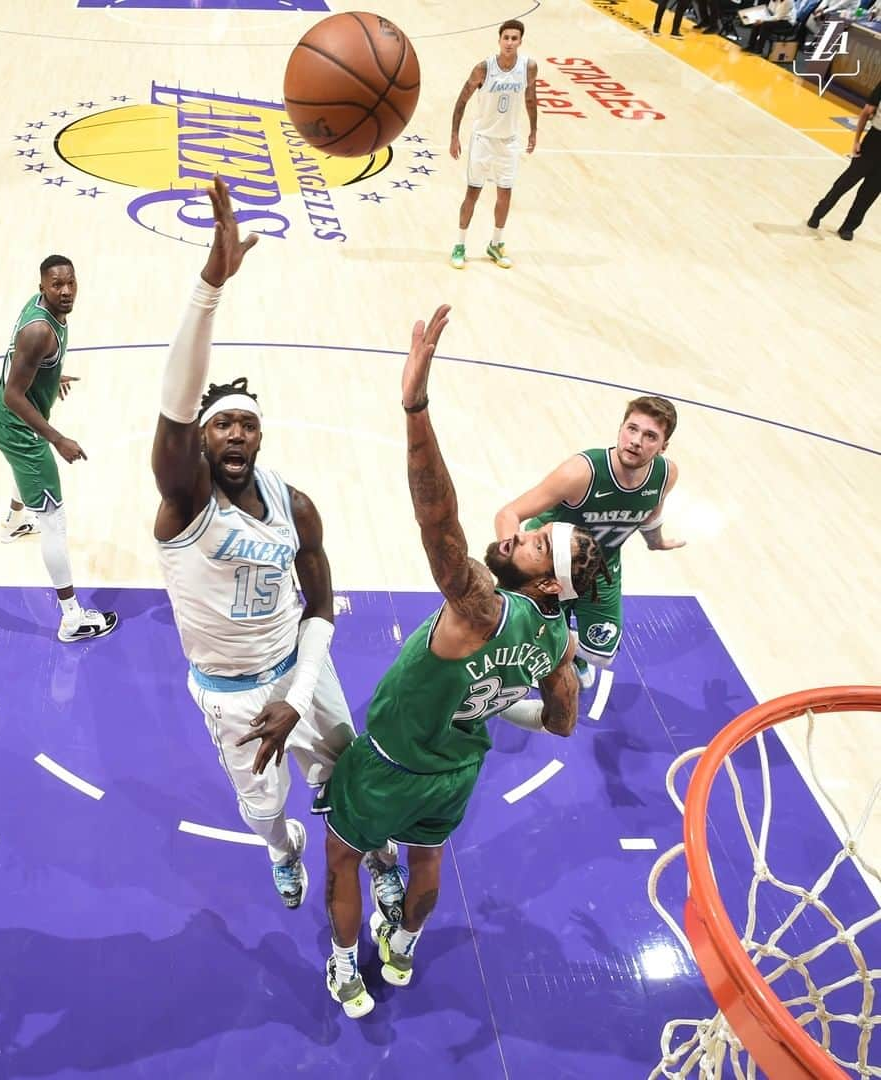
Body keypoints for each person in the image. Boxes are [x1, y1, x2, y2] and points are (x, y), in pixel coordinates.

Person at [316, 303, 609, 1019]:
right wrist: (528, 702)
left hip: (390, 762)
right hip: (453, 773)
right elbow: (563, 722)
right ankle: (403, 950)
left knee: (341, 860)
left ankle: (344, 970)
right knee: (426, 861)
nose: (521, 535)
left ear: (544, 581)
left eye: (538, 544)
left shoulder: (481, 607)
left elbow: (437, 520)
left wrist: (415, 405)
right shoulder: (554, 637)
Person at [151, 177, 402, 913]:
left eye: (246, 424)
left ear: (260, 435)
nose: (234, 433)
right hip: (230, 693)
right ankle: (283, 851)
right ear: (201, 439)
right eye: (220, 424)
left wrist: (297, 694)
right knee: (264, 809)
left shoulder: (297, 507)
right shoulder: (183, 502)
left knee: (350, 772)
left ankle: (376, 849)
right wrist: (209, 287)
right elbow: (171, 408)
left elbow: (321, 608)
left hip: (299, 670)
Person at [494, 397, 684, 691]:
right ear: (620, 428)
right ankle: (549, 643)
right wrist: (514, 567)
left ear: (663, 446)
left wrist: (656, 542)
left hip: (602, 567)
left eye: (650, 436)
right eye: (631, 429)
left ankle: (560, 645)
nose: (635, 441)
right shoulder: (581, 472)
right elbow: (509, 513)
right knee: (508, 633)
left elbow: (651, 511)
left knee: (602, 655)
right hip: (549, 564)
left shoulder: (665, 475)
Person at [0, 255, 118, 644]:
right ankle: (72, 618)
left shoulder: (43, 311)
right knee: (54, 521)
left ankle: (12, 523)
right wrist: (56, 438)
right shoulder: (40, 331)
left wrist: (53, 374)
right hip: (19, 427)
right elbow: (14, 394)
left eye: (70, 283)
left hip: (5, 419)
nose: (65, 291)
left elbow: (25, 368)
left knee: (26, 478)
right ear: (42, 285)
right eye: (56, 285)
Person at [448, 19, 537, 271]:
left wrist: (533, 131)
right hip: (483, 140)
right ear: (499, 40)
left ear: (520, 41)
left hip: (509, 142)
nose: (509, 42)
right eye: (506, 37)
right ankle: (460, 245)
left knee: (504, 194)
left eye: (514, 38)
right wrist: (454, 135)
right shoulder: (483, 68)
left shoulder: (528, 67)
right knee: (472, 194)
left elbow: (531, 98)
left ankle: (495, 244)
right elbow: (461, 100)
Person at [808, 77, 881, 241]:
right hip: (873, 143)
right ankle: (819, 212)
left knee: (869, 194)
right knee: (844, 183)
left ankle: (848, 227)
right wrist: (856, 141)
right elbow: (866, 112)